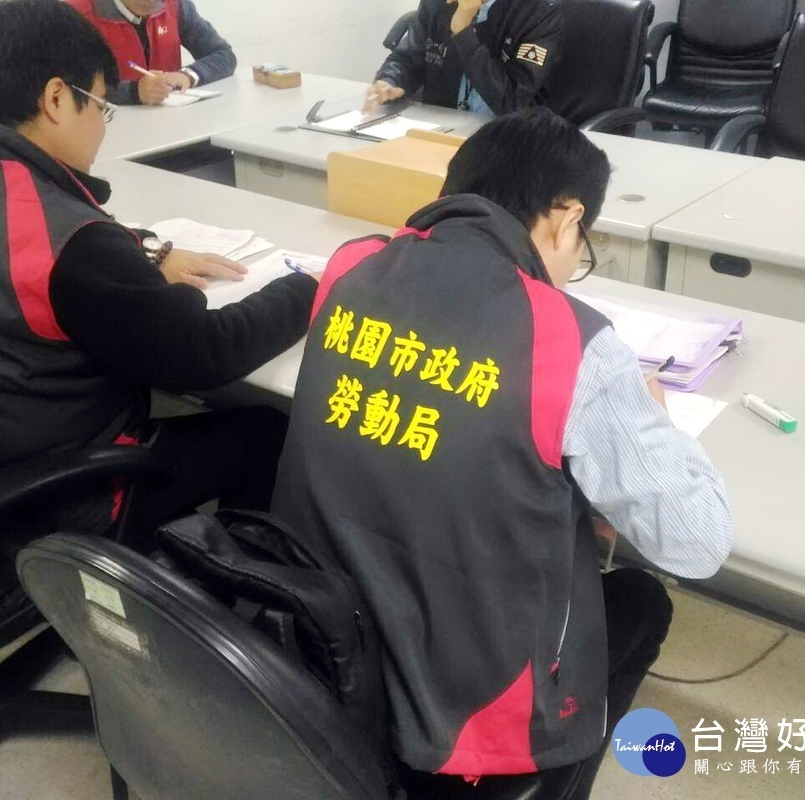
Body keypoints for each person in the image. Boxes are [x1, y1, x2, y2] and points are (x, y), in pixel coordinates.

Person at [271, 109, 733, 799]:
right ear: (565, 216)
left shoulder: (350, 267)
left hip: (322, 656)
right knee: (640, 599)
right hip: (464, 729)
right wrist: (657, 425)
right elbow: (698, 543)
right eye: (583, 245)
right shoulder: (571, 340)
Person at [0, 0, 317, 543]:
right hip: (62, 494)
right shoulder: (74, 245)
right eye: (101, 107)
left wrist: (140, 253)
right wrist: (308, 287)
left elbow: (42, 253)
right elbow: (207, 353)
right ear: (57, 98)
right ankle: (220, 589)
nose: (103, 131)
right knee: (264, 430)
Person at [365, 0, 563, 116]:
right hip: (440, 126)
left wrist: (463, 31)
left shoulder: (540, 11)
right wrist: (388, 81)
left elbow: (511, 103)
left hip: (508, 139)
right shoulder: (437, 4)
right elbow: (407, 58)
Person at [66, 0, 236, 106]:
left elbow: (223, 55)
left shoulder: (175, 5)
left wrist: (187, 75)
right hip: (108, 132)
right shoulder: (76, 14)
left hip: (172, 127)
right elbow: (68, 86)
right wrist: (134, 92)